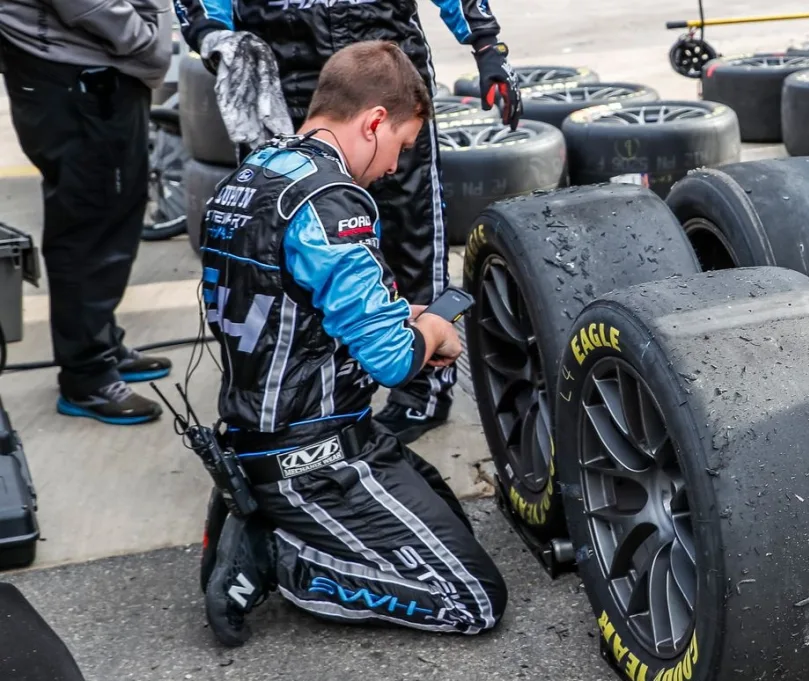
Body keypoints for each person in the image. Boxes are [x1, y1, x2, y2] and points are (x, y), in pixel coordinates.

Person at [198, 41, 507, 647]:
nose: (394, 166)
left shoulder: (253, 175)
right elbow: (393, 360)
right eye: (401, 144)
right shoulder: (331, 203)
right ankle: (275, 554)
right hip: (310, 455)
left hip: (274, 429)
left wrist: (405, 315)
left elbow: (293, 300)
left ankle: (260, 508)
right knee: (470, 599)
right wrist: (432, 333)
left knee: (448, 513)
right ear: (372, 122)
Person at [174, 0, 524, 444]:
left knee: (412, 234)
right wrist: (211, 35)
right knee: (272, 247)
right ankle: (289, 397)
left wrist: (487, 44)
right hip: (287, 79)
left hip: (388, 77)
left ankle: (421, 389)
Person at [0, 1, 175, 425]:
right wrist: (147, 40)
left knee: (110, 214)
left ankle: (99, 345)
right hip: (73, 78)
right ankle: (88, 377)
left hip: (85, 72)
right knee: (90, 227)